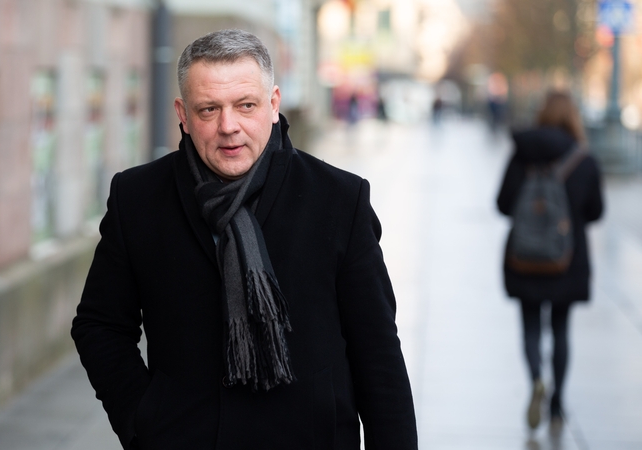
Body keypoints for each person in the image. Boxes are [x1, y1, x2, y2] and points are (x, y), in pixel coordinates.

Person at [71, 29, 418, 450]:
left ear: (273, 104)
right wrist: (143, 420)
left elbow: (378, 354)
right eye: (209, 109)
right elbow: (100, 325)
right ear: (183, 114)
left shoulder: (339, 199)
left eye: (245, 105)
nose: (228, 126)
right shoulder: (138, 197)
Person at [496, 91, 603, 430]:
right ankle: (557, 406)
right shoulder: (582, 159)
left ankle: (536, 380)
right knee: (560, 329)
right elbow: (596, 211)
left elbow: (502, 203)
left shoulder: (522, 153)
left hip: (524, 256)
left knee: (530, 326)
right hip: (566, 259)